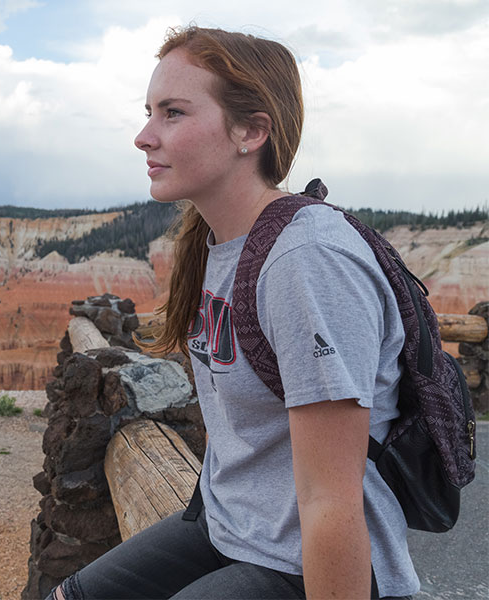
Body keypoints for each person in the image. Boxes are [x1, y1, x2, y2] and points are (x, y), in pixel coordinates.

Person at [47, 25, 420, 600]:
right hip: (227, 525)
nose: (144, 137)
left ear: (251, 131)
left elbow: (330, 499)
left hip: (298, 561)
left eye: (173, 113)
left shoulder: (306, 261)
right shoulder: (221, 243)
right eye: (149, 112)